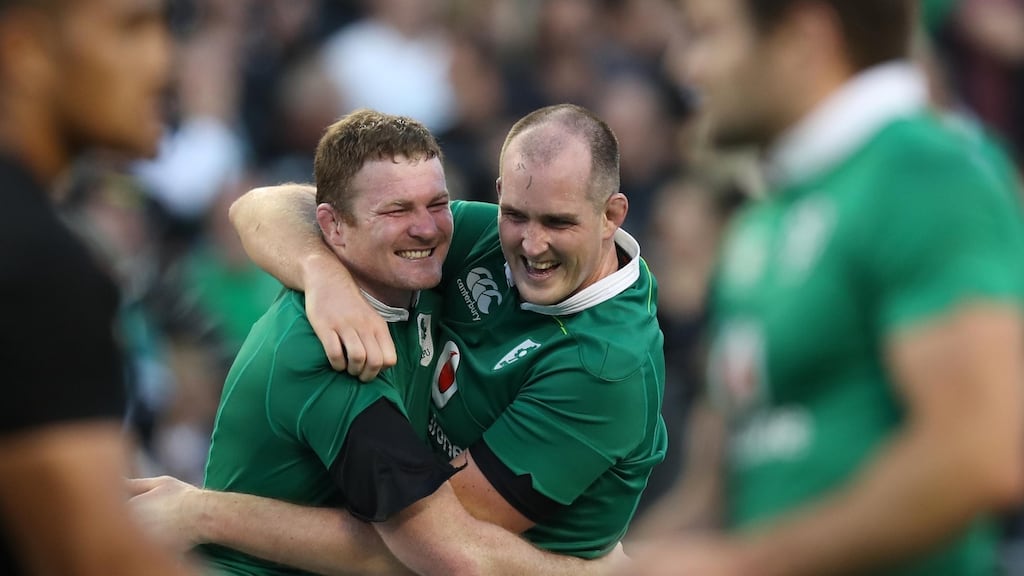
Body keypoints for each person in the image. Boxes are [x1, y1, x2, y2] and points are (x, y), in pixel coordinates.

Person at [129, 103, 665, 569]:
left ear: (610, 216)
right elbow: (256, 206)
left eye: (559, 222)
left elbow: (442, 549)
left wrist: (205, 513)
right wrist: (322, 275)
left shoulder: (604, 366)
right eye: (515, 215)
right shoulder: (348, 328)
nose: (531, 244)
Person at [627, 0, 1024, 575]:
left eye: (707, 35)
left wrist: (747, 565)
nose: (687, 67)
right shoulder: (761, 221)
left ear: (801, 38)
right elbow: (716, 499)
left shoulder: (924, 172)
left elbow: (978, 452)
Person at [0, 0, 195, 575]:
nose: (164, 62)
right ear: (23, 50)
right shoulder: (39, 265)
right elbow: (98, 556)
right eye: (130, 27)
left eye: (164, 27)